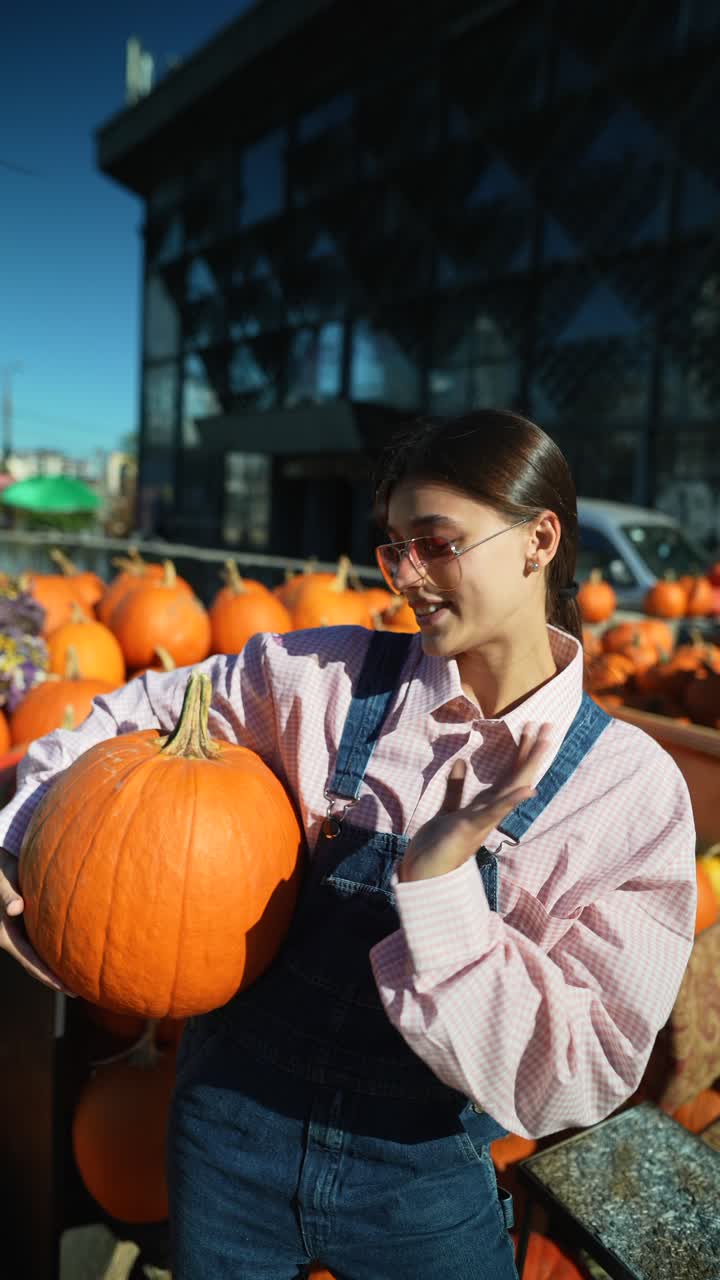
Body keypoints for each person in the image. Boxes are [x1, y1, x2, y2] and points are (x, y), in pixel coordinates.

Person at [0, 410, 697, 1280]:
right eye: (396, 549)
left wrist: (439, 890)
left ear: (539, 539)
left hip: (423, 1187)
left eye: (436, 543)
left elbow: (584, 1072)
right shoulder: (324, 681)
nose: (409, 578)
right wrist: (22, 836)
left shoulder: (626, 793)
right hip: (226, 1143)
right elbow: (128, 718)